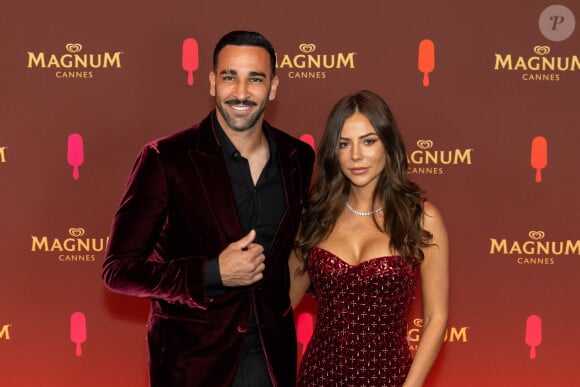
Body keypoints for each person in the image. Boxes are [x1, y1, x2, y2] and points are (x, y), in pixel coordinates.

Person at [102, 30, 314, 387]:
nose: (241, 92)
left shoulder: (298, 158)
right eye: (230, 77)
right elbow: (118, 270)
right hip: (191, 365)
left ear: (273, 87)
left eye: (255, 79)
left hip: (271, 360)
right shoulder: (166, 159)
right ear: (213, 82)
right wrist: (213, 273)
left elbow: (298, 249)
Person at [289, 90, 448, 386]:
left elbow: (435, 319)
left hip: (391, 379)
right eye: (344, 144)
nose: (356, 156)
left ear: (388, 144)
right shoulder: (314, 217)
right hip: (318, 377)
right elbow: (281, 305)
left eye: (368, 141)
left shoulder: (422, 219)